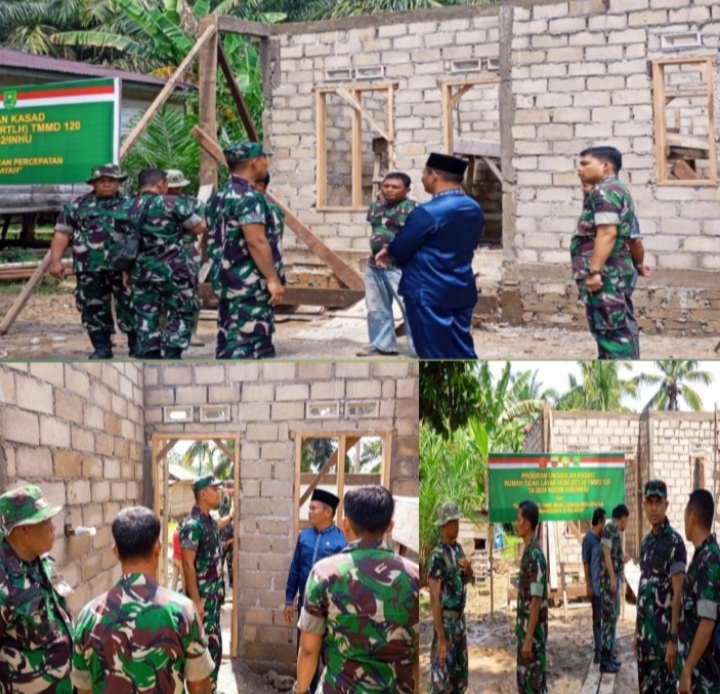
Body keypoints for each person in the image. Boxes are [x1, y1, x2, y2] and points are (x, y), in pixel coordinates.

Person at [71, 507, 214, 694]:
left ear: (116, 552)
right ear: (158, 548)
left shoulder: (88, 616)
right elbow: (199, 687)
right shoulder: (183, 611)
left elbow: (84, 690)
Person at [295, 486, 419, 693]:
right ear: (390, 526)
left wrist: (299, 691)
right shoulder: (414, 575)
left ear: (345, 524)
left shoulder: (324, 574)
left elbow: (308, 650)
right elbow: (416, 656)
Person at [374, 153, 484, 359]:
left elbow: (401, 249)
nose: (422, 178)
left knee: (433, 354)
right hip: (461, 288)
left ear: (434, 176)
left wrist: (391, 250)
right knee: (462, 349)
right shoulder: (474, 208)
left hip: (428, 293)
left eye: (424, 173)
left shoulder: (427, 212)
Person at [206, 142, 285, 359]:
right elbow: (256, 241)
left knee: (228, 343)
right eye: (264, 158)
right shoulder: (249, 198)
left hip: (226, 284)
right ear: (254, 162)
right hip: (249, 288)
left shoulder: (219, 195)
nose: (266, 162)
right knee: (250, 352)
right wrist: (273, 279)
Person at [49, 163, 136, 359]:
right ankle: (101, 348)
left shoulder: (132, 205)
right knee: (93, 309)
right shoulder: (77, 205)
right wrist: (55, 261)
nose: (106, 184)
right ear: (93, 184)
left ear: (119, 182)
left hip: (124, 269)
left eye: (111, 180)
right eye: (101, 181)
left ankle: (136, 347)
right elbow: (62, 233)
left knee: (131, 306)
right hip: (89, 268)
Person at [122, 168, 206, 359]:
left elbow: (121, 243)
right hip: (174, 270)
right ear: (161, 183)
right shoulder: (172, 203)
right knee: (181, 309)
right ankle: (172, 354)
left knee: (146, 312)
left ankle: (151, 355)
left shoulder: (127, 206)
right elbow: (199, 226)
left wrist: (126, 271)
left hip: (140, 272)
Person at [0, 485, 74, 692]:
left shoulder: (41, 561)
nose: (53, 527)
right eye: (45, 521)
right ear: (23, 530)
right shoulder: (3, 582)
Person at [571, 146, 638, 359]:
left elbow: (607, 233)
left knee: (614, 338)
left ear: (605, 166)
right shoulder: (615, 189)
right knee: (611, 333)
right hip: (613, 275)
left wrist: (594, 271)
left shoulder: (605, 190)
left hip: (606, 277)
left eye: (585, 164)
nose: (579, 170)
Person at [284, 490, 346, 692]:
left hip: (331, 613)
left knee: (328, 657)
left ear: (328, 512)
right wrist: (289, 599)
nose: (309, 512)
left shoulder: (340, 542)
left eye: (313, 508)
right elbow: (295, 569)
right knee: (305, 654)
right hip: (306, 608)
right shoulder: (304, 537)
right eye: (309, 508)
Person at [180, 475, 234, 693]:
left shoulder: (206, 520)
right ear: (203, 493)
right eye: (215, 488)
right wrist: (196, 602)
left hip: (212, 598)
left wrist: (232, 516)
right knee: (206, 649)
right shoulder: (192, 525)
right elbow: (187, 564)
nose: (219, 492)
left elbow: (218, 525)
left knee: (214, 646)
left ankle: (211, 688)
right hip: (202, 599)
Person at [357, 172, 418, 357]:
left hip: (401, 267)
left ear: (407, 190)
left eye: (395, 187)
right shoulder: (375, 207)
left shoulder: (414, 210)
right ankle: (382, 344)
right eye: (386, 186)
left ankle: (419, 348)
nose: (389, 190)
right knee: (376, 308)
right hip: (375, 265)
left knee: (410, 308)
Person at [634, 480, 687, 692]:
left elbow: (678, 593)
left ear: (666, 505)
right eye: (650, 502)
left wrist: (674, 639)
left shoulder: (675, 543)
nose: (654, 507)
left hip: (663, 645)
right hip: (645, 643)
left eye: (658, 502)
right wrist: (637, 633)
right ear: (644, 505)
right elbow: (644, 589)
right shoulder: (646, 543)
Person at [427, 501, 473, 694]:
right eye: (452, 521)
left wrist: (469, 571)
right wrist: (441, 636)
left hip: (459, 623)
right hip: (445, 623)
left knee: (459, 681)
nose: (456, 525)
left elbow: (466, 580)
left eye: (457, 520)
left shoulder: (459, 550)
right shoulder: (437, 556)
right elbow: (435, 598)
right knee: (440, 682)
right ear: (443, 525)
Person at [677, 489, 720, 694]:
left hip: (705, 678)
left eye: (685, 514)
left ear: (692, 517)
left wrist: (687, 670)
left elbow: (707, 622)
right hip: (698, 672)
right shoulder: (702, 555)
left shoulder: (709, 560)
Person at [515, 499, 548, 694]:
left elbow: (536, 601)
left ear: (527, 524)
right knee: (525, 684)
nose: (516, 522)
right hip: (526, 634)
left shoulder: (535, 556)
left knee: (534, 686)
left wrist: (528, 639)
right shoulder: (529, 552)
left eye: (518, 519)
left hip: (533, 638)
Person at [599, 503, 630, 673]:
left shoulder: (614, 532)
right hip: (608, 582)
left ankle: (609, 655)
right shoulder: (610, 529)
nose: (627, 524)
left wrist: (622, 559)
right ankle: (604, 660)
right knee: (609, 619)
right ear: (622, 518)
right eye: (627, 520)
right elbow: (606, 553)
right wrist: (611, 578)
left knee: (613, 618)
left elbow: (614, 555)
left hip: (614, 580)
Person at [253, 171, 286, 290]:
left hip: (268, 271)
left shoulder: (270, 208)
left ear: (260, 185)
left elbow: (274, 242)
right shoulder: (255, 205)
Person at [582, 507, 606, 664]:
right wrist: (589, 585)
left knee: (607, 619)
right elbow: (586, 563)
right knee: (597, 620)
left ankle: (606, 648)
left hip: (605, 587)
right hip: (596, 588)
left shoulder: (604, 538)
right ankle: (598, 652)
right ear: (598, 522)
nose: (605, 525)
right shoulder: (588, 539)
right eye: (604, 522)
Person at [171, 525, 185, 593]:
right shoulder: (181, 534)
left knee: (174, 579)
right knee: (183, 580)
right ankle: (185, 596)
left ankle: (171, 595)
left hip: (174, 557)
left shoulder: (175, 533)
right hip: (180, 558)